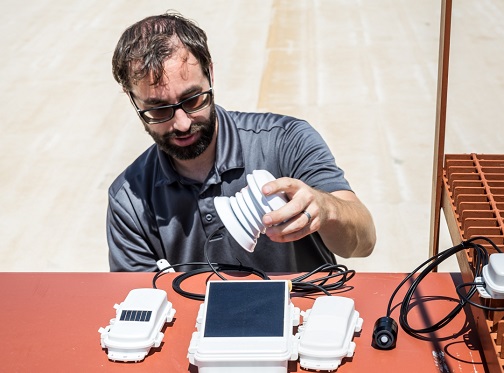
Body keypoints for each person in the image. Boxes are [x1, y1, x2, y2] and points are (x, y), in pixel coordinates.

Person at [107, 12, 376, 272]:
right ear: (132, 99)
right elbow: (141, 302)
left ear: (210, 75)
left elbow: (363, 243)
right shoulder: (130, 200)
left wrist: (326, 209)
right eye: (158, 110)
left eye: (193, 100)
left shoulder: (285, 141)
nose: (182, 124)